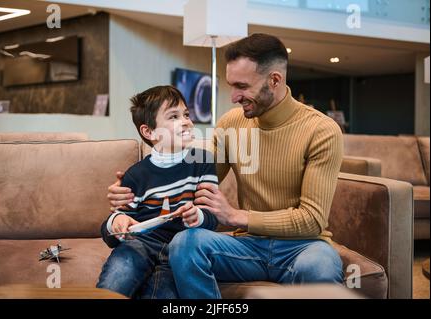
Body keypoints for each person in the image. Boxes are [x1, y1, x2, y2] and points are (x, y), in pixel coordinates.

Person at [108, 33, 344, 299]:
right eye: (231, 85)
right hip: (245, 247)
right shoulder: (232, 122)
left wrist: (234, 216)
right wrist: (133, 184)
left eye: (242, 86)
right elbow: (192, 170)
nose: (233, 96)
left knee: (321, 265)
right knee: (185, 244)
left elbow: (312, 220)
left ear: (274, 80)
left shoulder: (321, 130)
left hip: (303, 248)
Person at [97, 85, 219, 298]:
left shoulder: (203, 161)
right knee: (120, 268)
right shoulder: (136, 175)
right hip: (141, 244)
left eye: (186, 114)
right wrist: (116, 222)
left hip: (181, 251)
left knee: (164, 293)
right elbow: (112, 233)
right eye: (173, 117)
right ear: (149, 131)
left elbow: (213, 217)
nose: (186, 121)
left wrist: (197, 215)